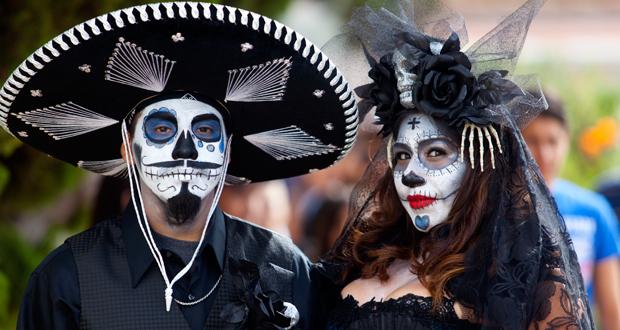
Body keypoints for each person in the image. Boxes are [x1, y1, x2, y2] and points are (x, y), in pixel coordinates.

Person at [0, 2, 359, 329]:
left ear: (228, 152)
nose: (185, 149)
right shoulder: (67, 279)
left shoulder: (286, 271)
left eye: (205, 130)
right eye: (161, 129)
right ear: (128, 147)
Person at [315, 0, 593, 328]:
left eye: (435, 153)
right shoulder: (368, 256)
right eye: (401, 156)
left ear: (478, 163)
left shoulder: (512, 274)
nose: (411, 176)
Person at [522, 94, 620, 329]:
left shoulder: (593, 211)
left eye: (552, 141)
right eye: (532, 141)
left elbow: (612, 311)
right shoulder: (495, 211)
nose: (543, 154)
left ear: (567, 141)